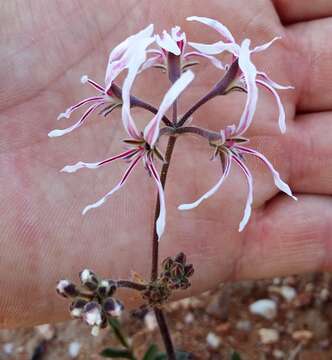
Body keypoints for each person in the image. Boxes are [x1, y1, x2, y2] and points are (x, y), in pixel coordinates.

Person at [1, 0, 332, 328]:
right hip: (143, 127)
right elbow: (144, 104)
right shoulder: (145, 120)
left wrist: (214, 125)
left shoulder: (200, 105)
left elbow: (214, 72)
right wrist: (134, 107)